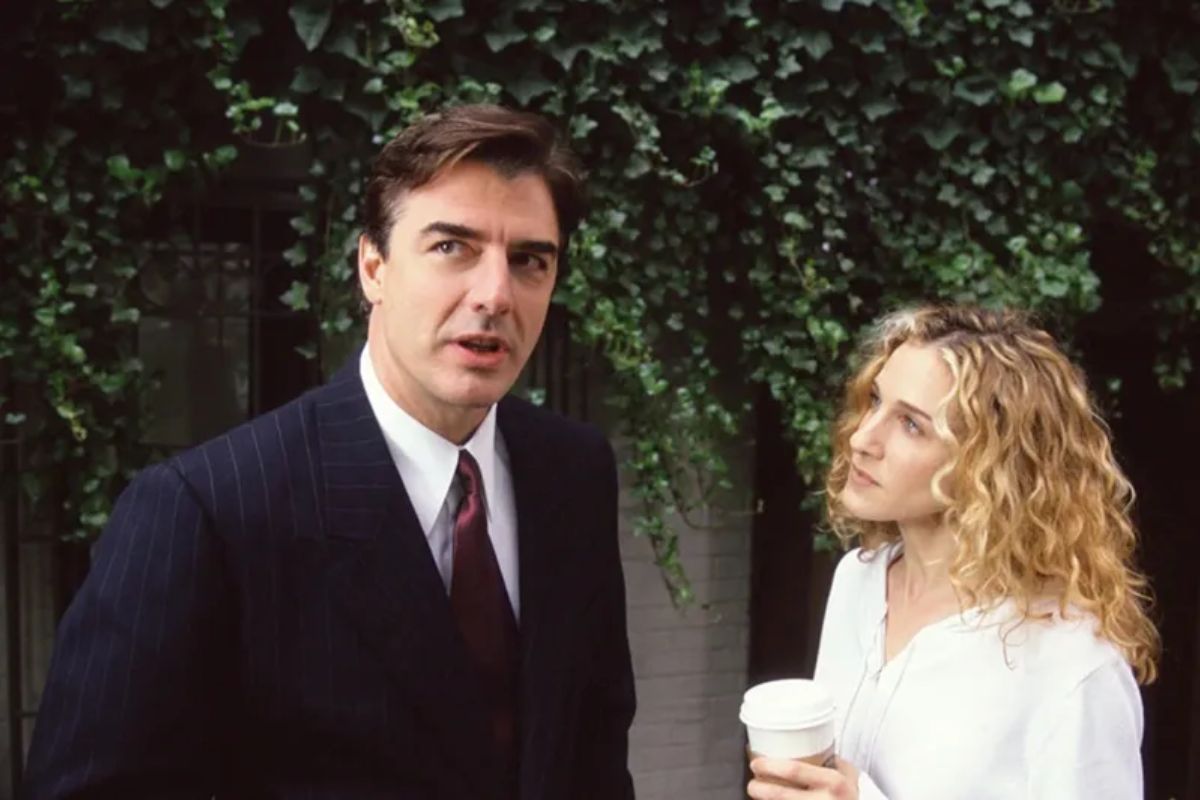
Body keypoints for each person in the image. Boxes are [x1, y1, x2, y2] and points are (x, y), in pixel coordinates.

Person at [24, 104, 636, 800]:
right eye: (452, 247)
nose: (495, 294)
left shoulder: (573, 472)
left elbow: (594, 748)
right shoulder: (207, 509)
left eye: (528, 260)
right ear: (373, 267)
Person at [747, 305, 1159, 800]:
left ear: (988, 464)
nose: (861, 438)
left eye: (911, 424)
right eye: (875, 400)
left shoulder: (1071, 663)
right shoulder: (857, 579)